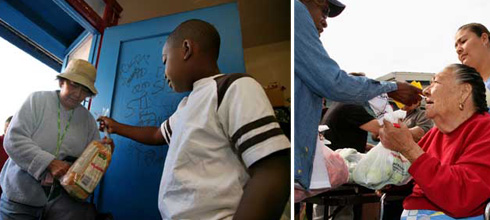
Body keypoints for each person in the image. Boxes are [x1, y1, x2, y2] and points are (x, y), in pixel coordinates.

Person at [98, 19, 290, 220]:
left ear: (186, 49)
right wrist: (116, 127)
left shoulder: (233, 87)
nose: (164, 74)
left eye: (165, 61)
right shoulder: (186, 106)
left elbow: (273, 169)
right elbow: (156, 135)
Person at [294, 0, 422, 189]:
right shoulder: (296, 10)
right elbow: (334, 83)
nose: (325, 22)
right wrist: (392, 89)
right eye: (324, 11)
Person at [379, 64, 490, 218]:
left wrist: (408, 147)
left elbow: (462, 197)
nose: (425, 91)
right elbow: (411, 175)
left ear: (463, 92)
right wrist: (388, 179)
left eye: (435, 83)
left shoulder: (485, 129)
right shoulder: (436, 132)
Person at [0, 59, 101, 219]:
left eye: (85, 90)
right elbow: (13, 139)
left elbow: (91, 160)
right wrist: (50, 163)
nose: (77, 94)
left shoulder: (88, 120)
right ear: (62, 81)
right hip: (19, 198)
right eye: (74, 85)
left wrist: (104, 150)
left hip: (61, 203)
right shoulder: (37, 100)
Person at [455, 23, 490, 109]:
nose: (458, 50)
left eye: (463, 41)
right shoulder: (463, 92)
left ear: (484, 39)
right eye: (456, 46)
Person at [0, 116, 12, 195]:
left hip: (10, 186)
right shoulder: (1, 141)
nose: (6, 130)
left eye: (9, 127)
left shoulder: (22, 146)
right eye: (6, 127)